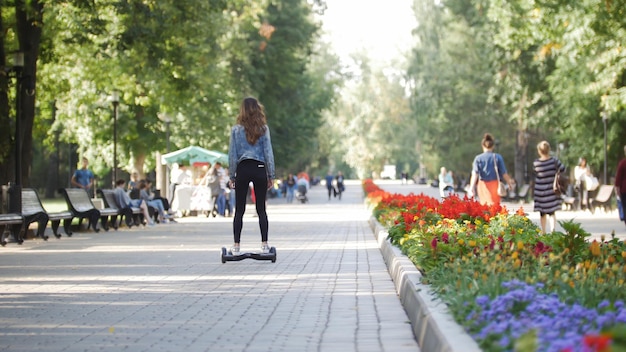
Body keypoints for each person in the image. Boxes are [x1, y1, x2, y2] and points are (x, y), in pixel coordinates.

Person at [228, 97, 275, 255]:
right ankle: (264, 244)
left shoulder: (235, 130)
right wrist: (271, 175)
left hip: (242, 167)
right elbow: (268, 152)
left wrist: (232, 176)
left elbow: (232, 154)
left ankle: (236, 246)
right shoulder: (263, 129)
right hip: (259, 167)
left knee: (239, 210)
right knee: (261, 209)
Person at [467, 133, 515, 205]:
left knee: (484, 206)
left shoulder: (478, 158)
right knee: (494, 206)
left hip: (482, 185)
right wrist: (509, 183)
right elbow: (504, 173)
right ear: (493, 146)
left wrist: (471, 187)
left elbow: (475, 174)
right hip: (495, 185)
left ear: (483, 146)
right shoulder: (497, 157)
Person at [533, 141, 565, 234]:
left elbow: (534, 173)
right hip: (552, 190)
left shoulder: (536, 163)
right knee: (552, 212)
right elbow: (563, 169)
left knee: (542, 213)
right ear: (549, 150)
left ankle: (543, 231)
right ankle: (553, 230)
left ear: (539, 151)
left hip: (540, 191)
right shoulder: (554, 161)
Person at [615, 146, 626, 227]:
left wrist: (617, 191)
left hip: (624, 190)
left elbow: (618, 179)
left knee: (625, 207)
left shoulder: (623, 163)